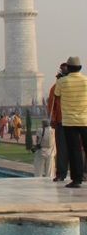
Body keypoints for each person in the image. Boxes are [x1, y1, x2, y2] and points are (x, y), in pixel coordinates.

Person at [53, 56, 87, 188]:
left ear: (69, 68)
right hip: (85, 119)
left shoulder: (62, 82)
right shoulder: (85, 81)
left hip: (69, 121)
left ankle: (77, 179)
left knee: (74, 150)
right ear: (80, 67)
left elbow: (57, 95)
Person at [47, 64, 70, 181]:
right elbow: (52, 106)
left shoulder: (56, 87)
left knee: (63, 149)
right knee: (76, 149)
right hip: (76, 121)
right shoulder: (80, 84)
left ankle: (62, 174)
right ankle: (80, 174)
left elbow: (51, 107)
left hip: (63, 121)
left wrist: (53, 120)